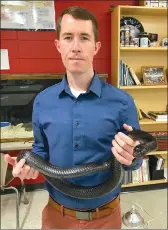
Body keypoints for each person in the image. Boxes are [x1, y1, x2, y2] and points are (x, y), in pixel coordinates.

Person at [4, 6, 143, 229]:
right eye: (68, 37)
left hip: (105, 218)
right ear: (59, 45)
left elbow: (135, 161)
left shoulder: (123, 102)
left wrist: (132, 157)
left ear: (96, 47)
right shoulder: (42, 101)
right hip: (56, 216)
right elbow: (41, 151)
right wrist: (29, 164)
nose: (76, 47)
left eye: (84, 38)